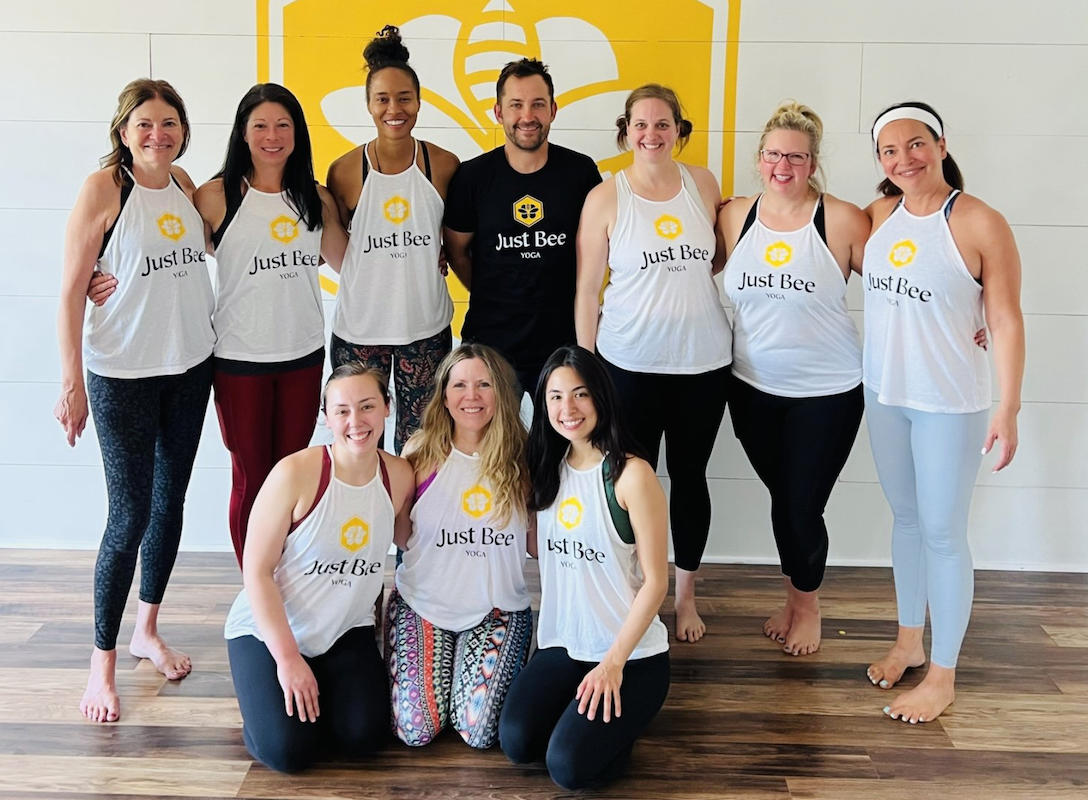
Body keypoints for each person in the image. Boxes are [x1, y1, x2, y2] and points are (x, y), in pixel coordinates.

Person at [89, 83, 349, 566]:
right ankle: (255, 586)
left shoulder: (316, 199)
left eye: (283, 125)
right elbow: (159, 243)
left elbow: (349, 261)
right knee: (251, 478)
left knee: (292, 476)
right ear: (242, 134)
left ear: (298, 133)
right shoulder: (212, 195)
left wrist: (427, 252)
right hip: (237, 359)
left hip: (302, 356)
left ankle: (286, 580)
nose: (272, 136)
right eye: (260, 126)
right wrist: (94, 274)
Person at [54, 79, 215, 723]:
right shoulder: (104, 189)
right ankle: (102, 664)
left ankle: (147, 629)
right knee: (129, 516)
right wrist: (71, 383)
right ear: (123, 131)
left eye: (169, 122)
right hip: (122, 373)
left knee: (169, 504)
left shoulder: (184, 185)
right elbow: (70, 291)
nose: (158, 134)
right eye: (145, 123)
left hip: (190, 368)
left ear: (183, 130)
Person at [862, 102, 1025, 724]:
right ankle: (909, 641)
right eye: (889, 150)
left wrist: (1008, 406)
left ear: (940, 145)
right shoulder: (880, 216)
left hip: (949, 403)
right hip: (884, 394)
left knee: (943, 533)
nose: (903, 159)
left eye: (915, 144)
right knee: (906, 520)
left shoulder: (980, 221)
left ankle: (943, 675)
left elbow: (1005, 317)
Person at [575, 84, 730, 642]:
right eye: (640, 124)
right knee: (630, 481)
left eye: (663, 124)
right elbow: (587, 289)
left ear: (678, 130)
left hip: (702, 365)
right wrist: (586, 367)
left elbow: (716, 259)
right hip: (628, 366)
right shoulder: (605, 197)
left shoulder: (703, 184)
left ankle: (684, 597)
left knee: (690, 479)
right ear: (626, 132)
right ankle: (635, 590)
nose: (651, 134)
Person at [718, 102, 869, 656]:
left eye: (797, 158)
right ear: (760, 158)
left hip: (826, 395)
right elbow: (679, 268)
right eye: (774, 155)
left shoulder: (842, 220)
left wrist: (968, 319)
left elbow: (899, 284)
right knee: (786, 501)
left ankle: (807, 606)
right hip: (750, 389)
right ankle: (794, 596)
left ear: (813, 163)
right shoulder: (734, 215)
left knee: (799, 507)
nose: (783, 166)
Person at [223, 363, 414, 772]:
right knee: (289, 753)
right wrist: (288, 659)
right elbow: (256, 572)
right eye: (342, 410)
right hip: (270, 630)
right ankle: (265, 705)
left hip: (345, 629)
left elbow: (412, 539)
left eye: (367, 406)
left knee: (365, 738)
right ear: (326, 417)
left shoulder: (399, 475)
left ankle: (319, 692)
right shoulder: (295, 473)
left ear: (387, 407)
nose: (355, 421)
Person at [500, 345, 669, 790]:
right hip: (564, 643)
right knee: (517, 742)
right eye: (555, 397)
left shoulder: (631, 475)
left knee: (568, 768)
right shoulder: (545, 468)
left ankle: (622, 726)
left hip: (629, 657)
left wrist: (612, 664)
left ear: (600, 396)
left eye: (580, 394)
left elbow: (656, 582)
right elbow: (537, 548)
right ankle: (584, 725)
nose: (567, 408)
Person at [386, 344, 534, 748]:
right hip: (423, 604)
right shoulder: (419, 452)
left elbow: (536, 542)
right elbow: (402, 535)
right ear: (444, 395)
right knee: (416, 730)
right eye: (460, 385)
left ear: (501, 392)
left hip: (496, 609)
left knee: (479, 730)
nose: (472, 396)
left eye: (484, 384)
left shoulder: (524, 455)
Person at [327, 25, 459, 454]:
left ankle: (409, 504)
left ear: (419, 102)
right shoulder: (344, 171)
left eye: (404, 98)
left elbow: (455, 236)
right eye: (382, 99)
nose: (394, 109)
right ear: (368, 104)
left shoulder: (444, 165)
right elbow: (340, 249)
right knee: (360, 444)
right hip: (360, 329)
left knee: (420, 445)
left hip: (425, 327)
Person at [444, 58, 602, 396]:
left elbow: (600, 249)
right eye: (516, 104)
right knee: (490, 432)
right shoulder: (472, 177)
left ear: (553, 110)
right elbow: (456, 250)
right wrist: (491, 293)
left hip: (564, 343)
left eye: (538, 104)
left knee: (565, 431)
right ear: (498, 112)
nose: (527, 116)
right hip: (490, 343)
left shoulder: (580, 173)